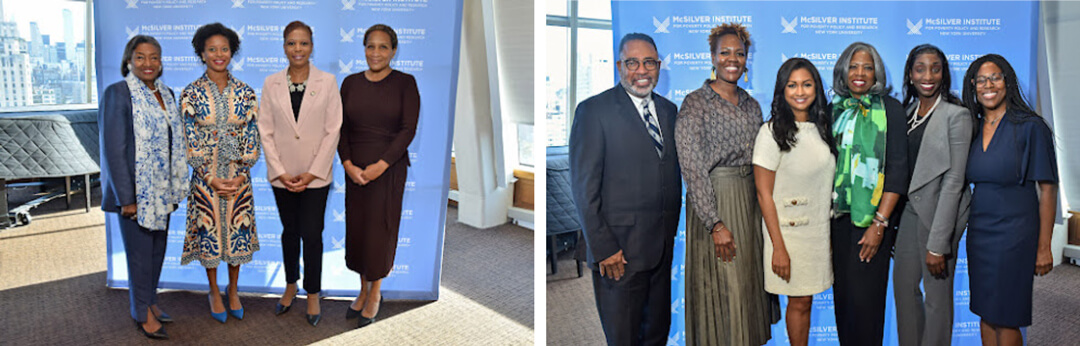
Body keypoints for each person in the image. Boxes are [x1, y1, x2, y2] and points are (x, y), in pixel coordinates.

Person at [570, 32, 681, 346]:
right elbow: (582, 187)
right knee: (624, 338)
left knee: (656, 334)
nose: (641, 70)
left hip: (660, 249)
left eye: (649, 63)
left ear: (659, 66)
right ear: (619, 66)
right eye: (633, 62)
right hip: (618, 254)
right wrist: (603, 247)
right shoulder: (594, 111)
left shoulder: (669, 112)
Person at [674, 23, 779, 346]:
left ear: (747, 60)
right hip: (716, 204)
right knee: (724, 289)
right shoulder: (695, 103)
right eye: (725, 52)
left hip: (750, 206)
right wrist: (714, 222)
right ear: (712, 57)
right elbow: (691, 168)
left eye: (740, 53)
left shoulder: (752, 105)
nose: (732, 59)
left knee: (748, 287)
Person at [961, 54, 1057, 346]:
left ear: (1007, 82)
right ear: (973, 86)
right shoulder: (972, 128)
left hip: (1015, 235)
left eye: (995, 77)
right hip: (980, 235)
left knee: (1007, 316)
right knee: (986, 313)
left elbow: (1048, 189)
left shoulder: (1031, 127)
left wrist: (1043, 247)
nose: (988, 85)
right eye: (981, 80)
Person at [99, 35, 187, 340]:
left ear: (161, 62)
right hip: (135, 195)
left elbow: (175, 142)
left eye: (154, 57)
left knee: (155, 253)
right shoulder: (118, 93)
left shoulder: (167, 94)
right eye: (140, 57)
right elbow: (114, 149)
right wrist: (127, 198)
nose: (147, 63)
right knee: (138, 256)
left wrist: (176, 185)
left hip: (163, 191)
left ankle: (150, 301)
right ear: (128, 61)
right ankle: (141, 313)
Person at [258, 21, 342, 327]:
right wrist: (280, 172)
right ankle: (291, 283)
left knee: (312, 233)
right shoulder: (271, 83)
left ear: (312, 46)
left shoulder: (328, 81)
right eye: (292, 43)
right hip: (282, 176)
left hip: (315, 177)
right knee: (290, 231)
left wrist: (311, 174)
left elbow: (333, 131)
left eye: (303, 43)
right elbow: (265, 130)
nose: (298, 49)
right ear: (284, 47)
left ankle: (313, 292)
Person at [337, 24, 419, 328]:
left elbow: (408, 129)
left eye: (383, 47)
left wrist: (381, 165)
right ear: (364, 49)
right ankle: (362, 290)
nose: (376, 53)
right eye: (371, 46)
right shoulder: (350, 83)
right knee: (358, 231)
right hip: (355, 170)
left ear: (394, 51)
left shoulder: (405, 83)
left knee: (379, 231)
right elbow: (340, 128)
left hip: (388, 170)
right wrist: (347, 164)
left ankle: (376, 293)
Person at [180, 22, 261, 324]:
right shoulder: (190, 93)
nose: (218, 54)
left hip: (239, 178)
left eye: (224, 49)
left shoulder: (246, 92)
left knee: (237, 234)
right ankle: (214, 290)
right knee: (210, 235)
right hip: (206, 179)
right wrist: (210, 177)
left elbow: (252, 135)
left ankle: (234, 289)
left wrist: (241, 173)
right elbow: (190, 139)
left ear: (232, 52)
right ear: (201, 53)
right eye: (212, 49)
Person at [892, 44, 973, 346]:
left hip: (942, 214)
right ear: (910, 74)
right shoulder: (907, 112)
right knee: (903, 289)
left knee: (937, 300)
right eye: (920, 68)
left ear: (944, 73)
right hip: (910, 214)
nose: (928, 75)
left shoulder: (957, 115)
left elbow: (954, 182)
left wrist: (938, 244)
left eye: (935, 68)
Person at [752, 57, 836, 346]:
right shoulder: (771, 132)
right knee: (798, 303)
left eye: (807, 84)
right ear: (782, 90)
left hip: (817, 232)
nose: (800, 91)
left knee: (807, 301)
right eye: (792, 85)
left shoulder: (823, 128)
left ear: (817, 88)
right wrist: (778, 248)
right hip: (787, 235)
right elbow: (764, 194)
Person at [829, 41, 908, 346]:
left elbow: (898, 170)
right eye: (853, 66)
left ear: (877, 73)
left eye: (867, 66)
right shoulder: (833, 107)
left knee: (866, 304)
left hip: (873, 221)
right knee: (844, 302)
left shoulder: (891, 109)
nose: (860, 73)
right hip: (837, 220)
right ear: (843, 71)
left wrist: (879, 223)